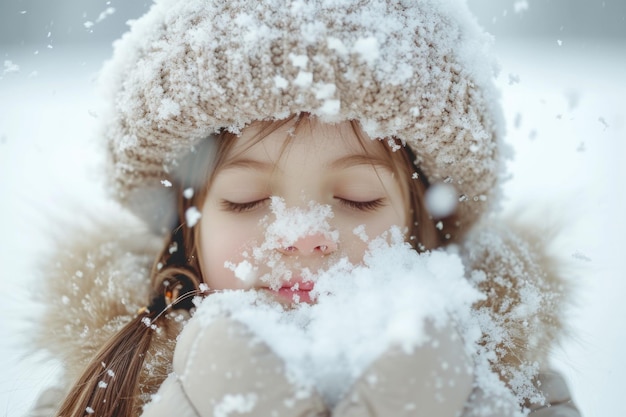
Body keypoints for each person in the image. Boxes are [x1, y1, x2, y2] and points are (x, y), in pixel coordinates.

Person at [26, 0, 581, 416]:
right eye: (246, 202)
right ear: (184, 229)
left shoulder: (521, 391)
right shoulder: (98, 390)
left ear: (423, 225)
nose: (303, 235)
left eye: (357, 198)